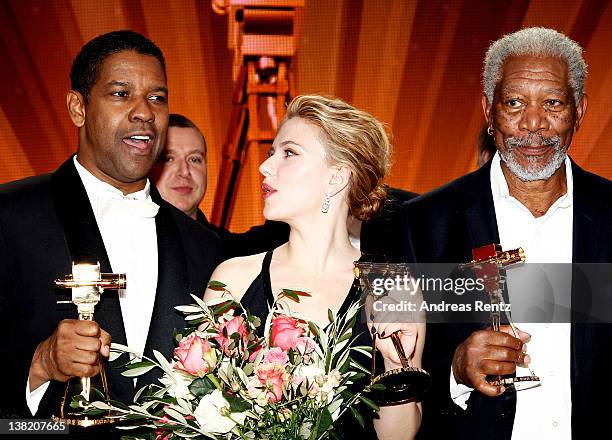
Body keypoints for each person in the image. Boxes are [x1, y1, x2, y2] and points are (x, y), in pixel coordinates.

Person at [404, 27, 612, 439]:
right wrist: (454, 370)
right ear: (488, 111)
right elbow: (390, 372)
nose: (533, 124)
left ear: (580, 111)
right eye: (514, 103)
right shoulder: (424, 224)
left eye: (552, 103)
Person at [0, 30, 219, 420]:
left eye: (157, 98)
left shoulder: (207, 248)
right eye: (121, 94)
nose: (144, 112)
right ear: (77, 108)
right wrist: (37, 364)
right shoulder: (9, 216)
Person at [204, 95, 424, 439]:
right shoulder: (232, 279)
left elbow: (397, 437)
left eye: (289, 153)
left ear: (336, 177)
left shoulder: (392, 288)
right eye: (271, 153)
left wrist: (397, 364)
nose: (265, 167)